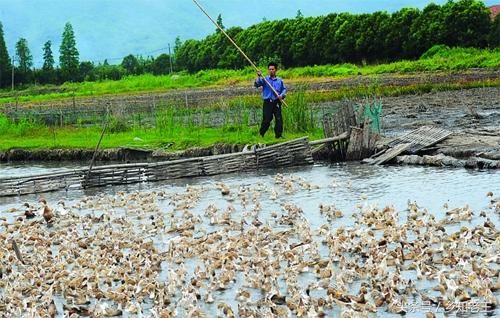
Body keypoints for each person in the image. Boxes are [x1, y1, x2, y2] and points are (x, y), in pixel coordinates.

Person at [254, 62, 287, 138]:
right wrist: (258, 76)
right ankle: (261, 133)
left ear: (276, 70)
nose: (271, 71)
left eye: (272, 69)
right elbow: (257, 84)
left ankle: (278, 135)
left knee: (279, 119)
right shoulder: (265, 79)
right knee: (267, 119)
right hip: (268, 102)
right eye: (269, 69)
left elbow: (284, 90)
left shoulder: (280, 80)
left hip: (277, 102)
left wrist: (281, 96)